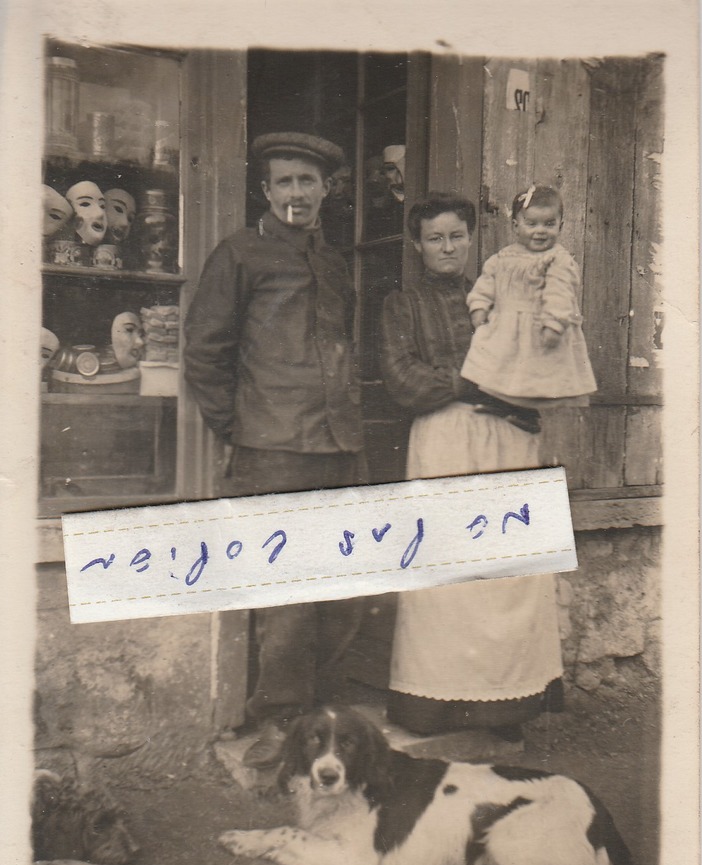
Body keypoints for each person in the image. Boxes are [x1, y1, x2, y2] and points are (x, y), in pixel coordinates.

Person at [184, 131, 366, 767]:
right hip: (274, 447)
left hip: (340, 444)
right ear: (266, 191)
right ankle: (282, 725)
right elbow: (205, 352)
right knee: (286, 594)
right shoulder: (239, 254)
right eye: (284, 182)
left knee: (347, 584)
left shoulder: (334, 263)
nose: (296, 193)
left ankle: (325, 718)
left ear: (325, 190)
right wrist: (238, 428)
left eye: (307, 182)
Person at [381, 192, 564, 739]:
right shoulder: (402, 304)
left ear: (470, 240)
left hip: (507, 440)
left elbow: (534, 365)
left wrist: (520, 395)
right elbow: (401, 378)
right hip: (445, 439)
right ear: (417, 245)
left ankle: (505, 706)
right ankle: (435, 707)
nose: (447, 247)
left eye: (456, 236)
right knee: (450, 573)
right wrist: (468, 380)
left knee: (505, 573)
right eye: (434, 238)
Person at [461, 184, 597, 407]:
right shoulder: (502, 258)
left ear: (560, 226)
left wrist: (553, 323)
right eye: (531, 224)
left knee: (539, 377)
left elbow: (560, 292)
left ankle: (532, 409)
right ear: (516, 225)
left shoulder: (558, 260)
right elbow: (486, 283)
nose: (540, 230)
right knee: (503, 375)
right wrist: (479, 306)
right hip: (506, 329)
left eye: (549, 224)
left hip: (540, 328)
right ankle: (505, 404)